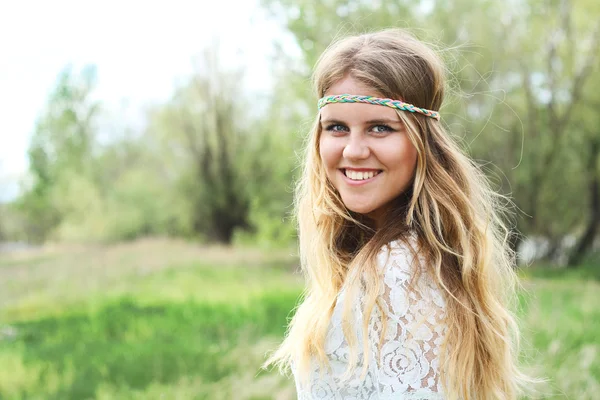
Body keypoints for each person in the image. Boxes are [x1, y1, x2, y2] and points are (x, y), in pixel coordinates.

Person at [264, 29, 530, 400]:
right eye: (337, 127)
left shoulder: (397, 270)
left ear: (421, 142)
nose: (354, 150)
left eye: (380, 128)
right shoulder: (385, 254)